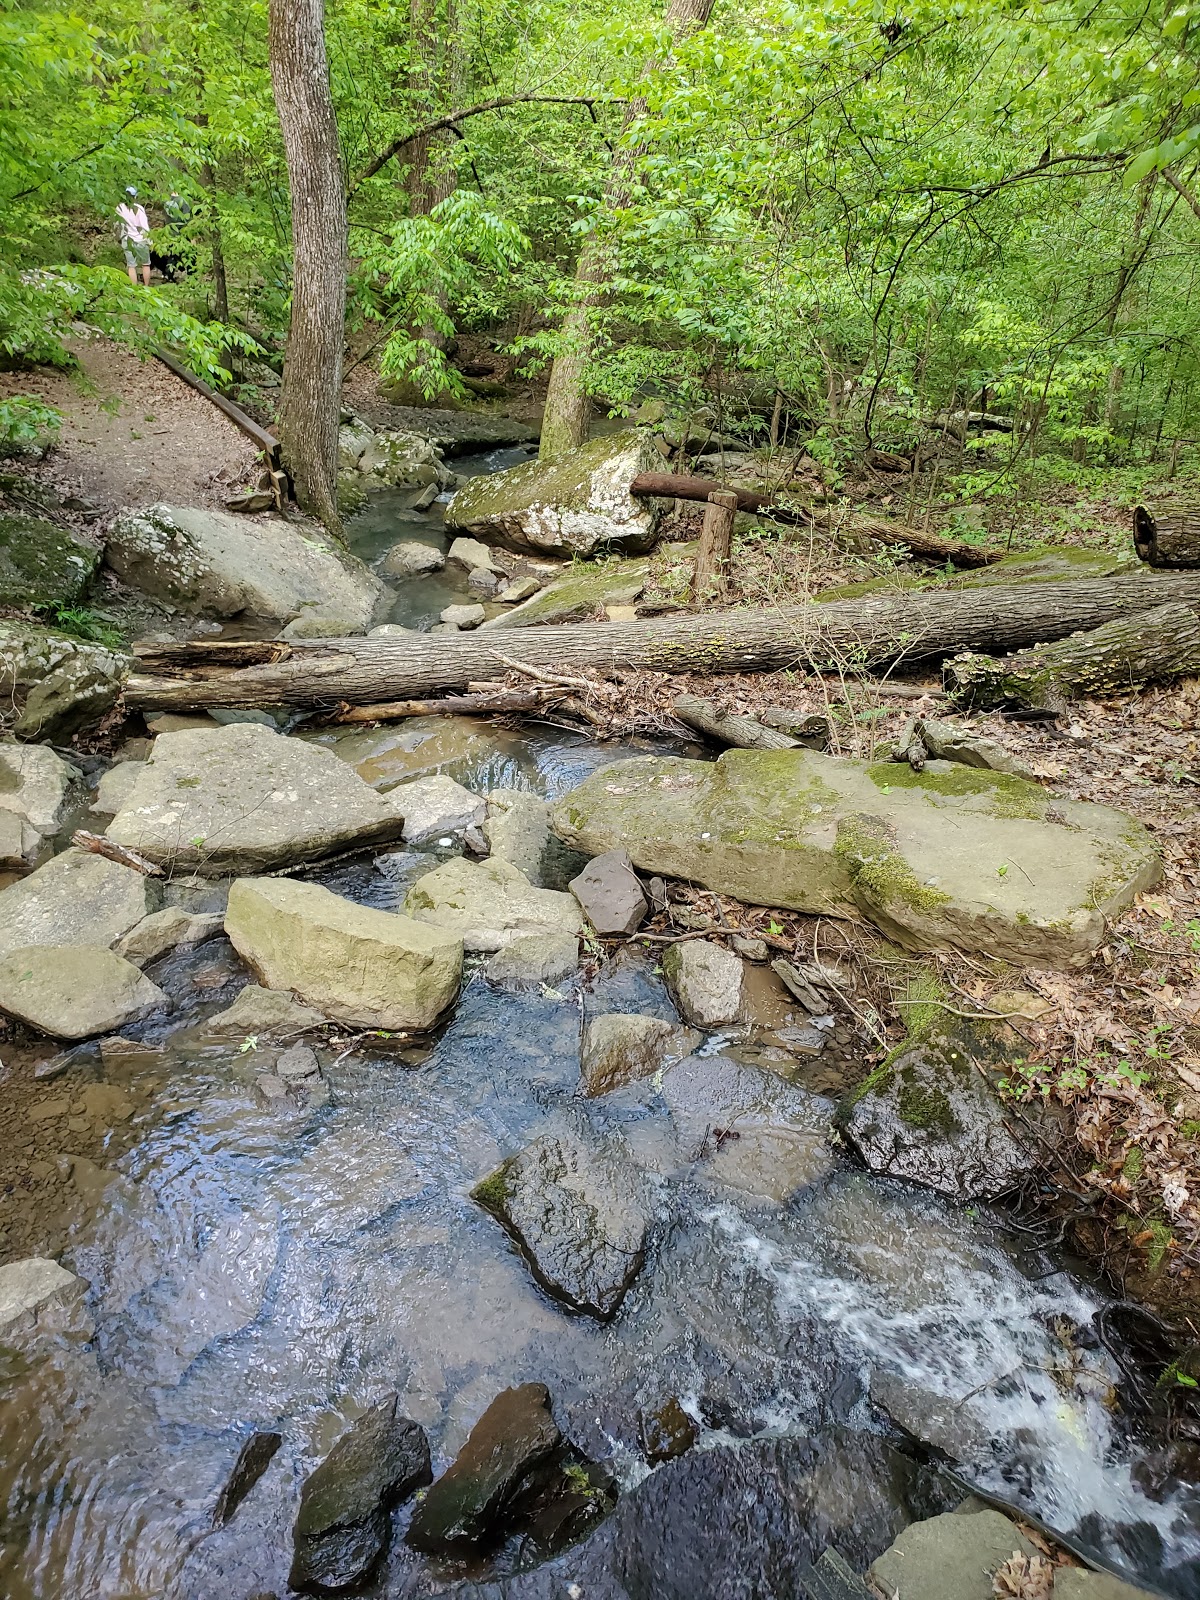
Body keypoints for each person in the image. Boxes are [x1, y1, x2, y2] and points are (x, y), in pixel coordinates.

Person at [116, 186, 151, 287]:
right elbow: (145, 227)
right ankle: (147, 287)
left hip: (127, 240)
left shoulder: (119, 208)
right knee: (145, 264)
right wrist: (149, 241)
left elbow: (117, 225)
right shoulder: (139, 208)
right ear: (135, 196)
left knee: (131, 266)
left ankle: (134, 288)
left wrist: (118, 238)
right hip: (141, 240)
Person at [160, 191, 193, 281]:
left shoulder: (166, 202)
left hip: (170, 232)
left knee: (172, 255)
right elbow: (188, 219)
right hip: (181, 232)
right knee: (189, 254)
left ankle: (168, 274)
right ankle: (191, 274)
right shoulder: (182, 201)